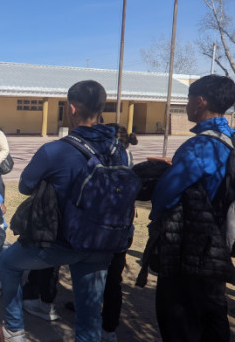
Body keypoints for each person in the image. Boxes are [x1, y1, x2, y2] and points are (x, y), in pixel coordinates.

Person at [0, 80, 128, 342]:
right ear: (102, 108)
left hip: (62, 241)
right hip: (104, 241)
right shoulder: (119, 151)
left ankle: (13, 329)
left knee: (8, 262)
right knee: (89, 312)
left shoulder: (55, 150)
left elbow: (25, 186)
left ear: (71, 109)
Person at [150, 75, 235, 342]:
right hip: (220, 239)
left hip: (190, 246)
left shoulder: (200, 146)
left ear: (200, 102)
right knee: (213, 311)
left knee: (180, 317)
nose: (186, 105)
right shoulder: (230, 138)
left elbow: (166, 194)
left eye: (187, 100)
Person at [100, 123, 138, 342]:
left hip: (108, 228)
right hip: (124, 227)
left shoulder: (111, 163)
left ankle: (105, 326)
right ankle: (109, 328)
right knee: (113, 280)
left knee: (103, 278)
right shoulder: (128, 160)